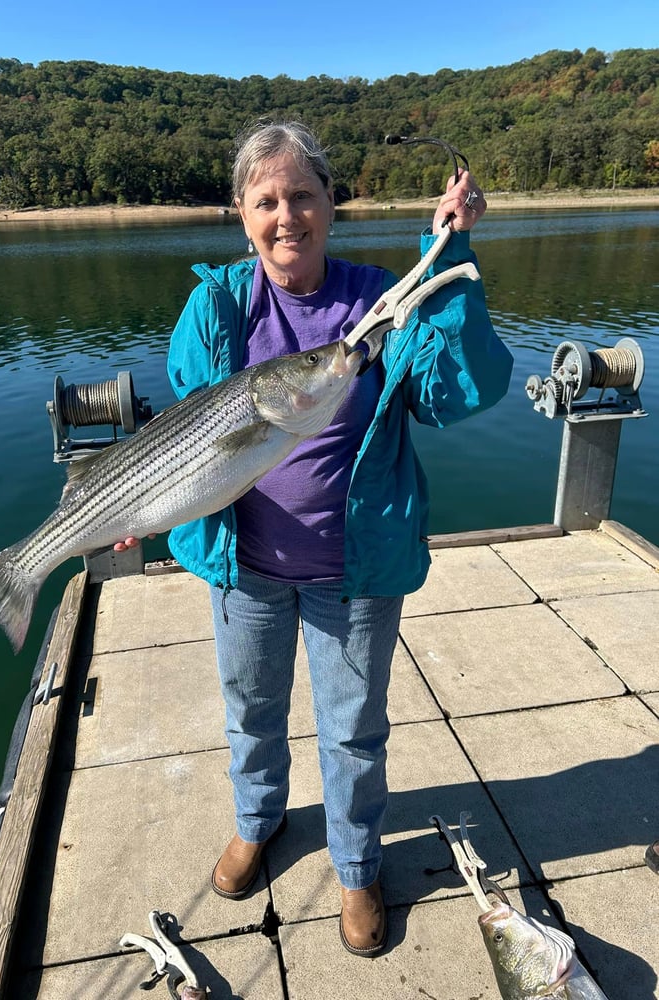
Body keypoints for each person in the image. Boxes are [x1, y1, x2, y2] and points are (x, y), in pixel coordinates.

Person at [118, 120, 513, 956]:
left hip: (356, 570)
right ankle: (259, 821)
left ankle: (358, 863)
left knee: (352, 731)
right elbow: (189, 431)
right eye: (266, 200)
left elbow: (461, 394)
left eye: (303, 195)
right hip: (246, 570)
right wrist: (142, 502)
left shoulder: (380, 301)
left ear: (332, 202)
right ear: (241, 213)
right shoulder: (217, 305)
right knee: (251, 713)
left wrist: (450, 267)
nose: (286, 215)